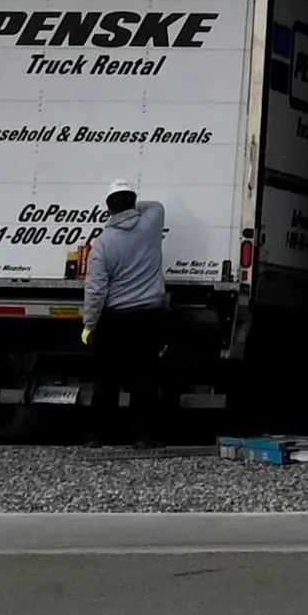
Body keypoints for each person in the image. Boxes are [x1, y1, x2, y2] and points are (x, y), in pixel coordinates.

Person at [79, 186, 176, 444]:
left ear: (109, 208)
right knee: (144, 379)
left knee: (107, 380)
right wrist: (133, 207)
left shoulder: (102, 244)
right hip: (148, 317)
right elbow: (155, 205)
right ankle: (144, 436)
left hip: (115, 320)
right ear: (132, 204)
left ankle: (96, 436)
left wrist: (89, 325)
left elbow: (96, 290)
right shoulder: (150, 225)